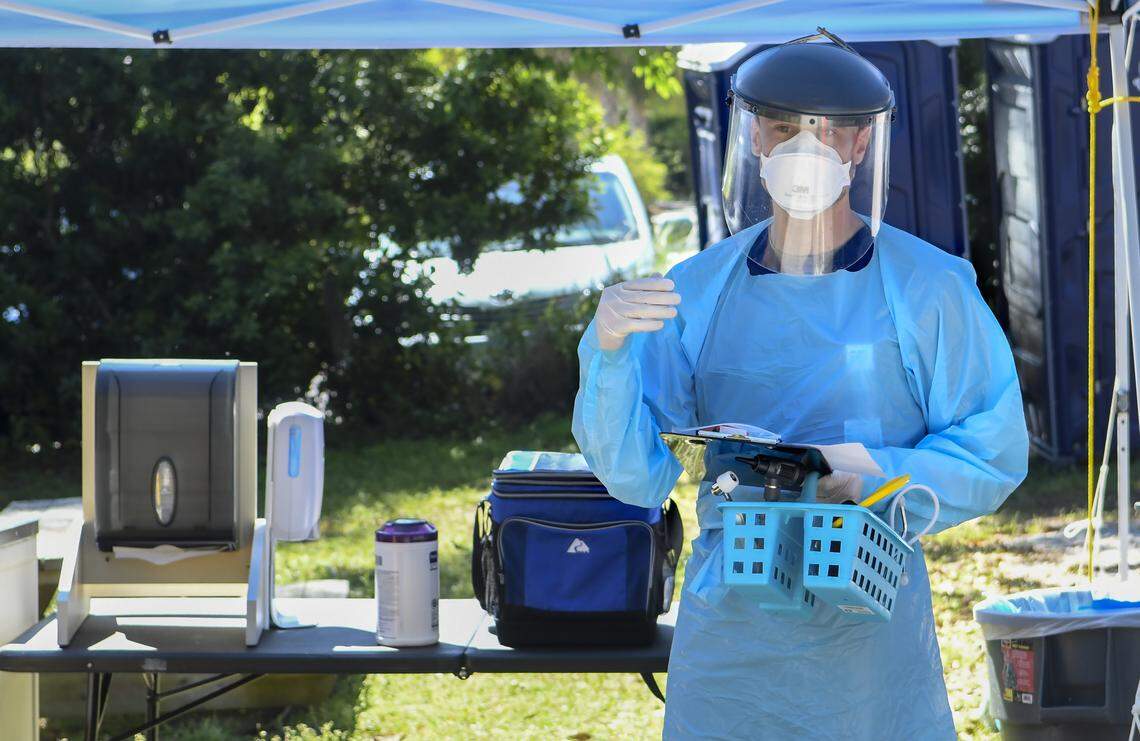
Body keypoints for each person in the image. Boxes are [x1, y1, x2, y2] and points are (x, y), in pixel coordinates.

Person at [572, 31, 1028, 740]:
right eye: (784, 126)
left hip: (863, 627)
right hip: (731, 631)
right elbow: (637, 475)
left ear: (861, 145)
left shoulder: (926, 288)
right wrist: (607, 355)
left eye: (827, 130)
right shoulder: (696, 291)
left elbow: (994, 448)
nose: (803, 149)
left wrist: (874, 470)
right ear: (752, 133)